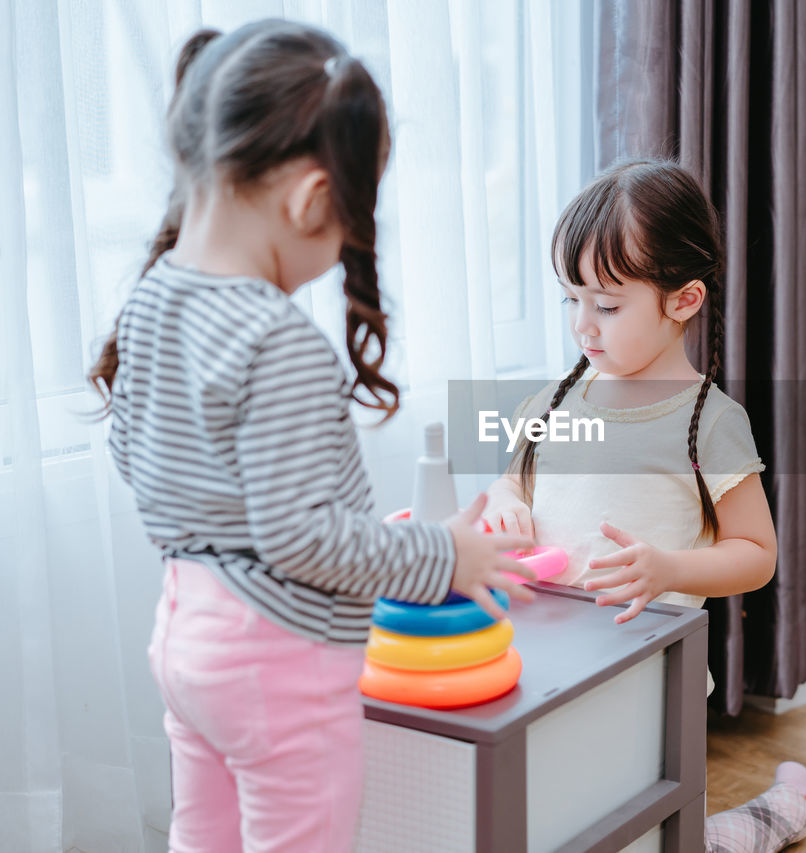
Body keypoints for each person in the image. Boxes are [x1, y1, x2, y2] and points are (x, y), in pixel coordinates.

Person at [88, 20, 533, 852]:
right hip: (274, 659)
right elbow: (299, 537)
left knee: (203, 836)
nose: (339, 253)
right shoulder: (275, 336)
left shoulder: (154, 298)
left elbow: (136, 458)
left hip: (187, 634)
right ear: (310, 199)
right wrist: (448, 553)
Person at [483, 159, 806, 852]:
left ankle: (788, 801)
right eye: (570, 299)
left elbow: (757, 555)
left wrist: (666, 567)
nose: (584, 325)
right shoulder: (552, 402)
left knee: (658, 838)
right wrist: (501, 502)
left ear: (684, 299)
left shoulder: (709, 422)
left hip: (643, 686)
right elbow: (512, 485)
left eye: (607, 305)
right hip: (547, 665)